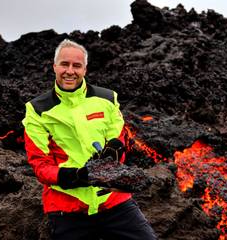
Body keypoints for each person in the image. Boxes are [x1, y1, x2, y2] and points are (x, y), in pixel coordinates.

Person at [22, 39, 157, 240]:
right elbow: (40, 165)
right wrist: (76, 176)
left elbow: (117, 133)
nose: (70, 71)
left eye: (77, 66)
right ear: (54, 67)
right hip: (67, 208)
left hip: (114, 201)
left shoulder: (107, 98)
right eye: (64, 64)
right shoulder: (37, 110)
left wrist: (115, 147)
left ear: (85, 69)